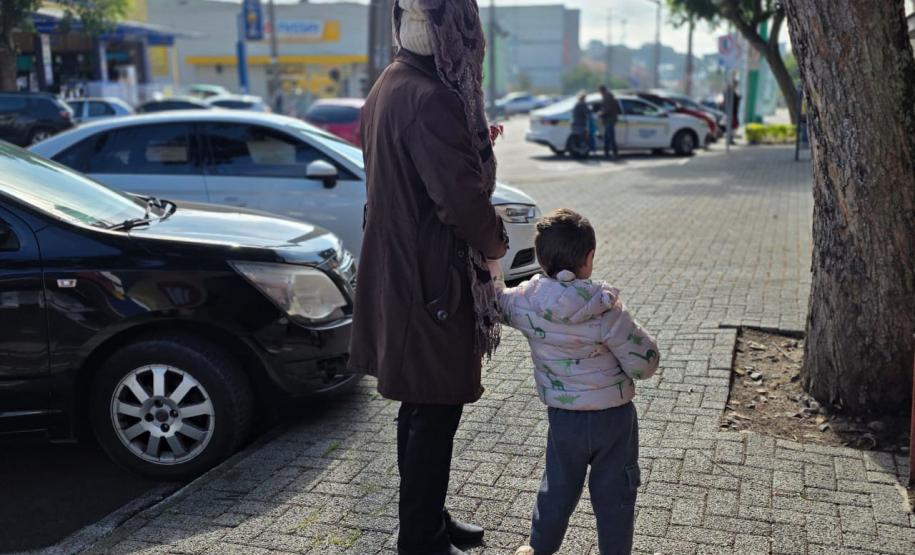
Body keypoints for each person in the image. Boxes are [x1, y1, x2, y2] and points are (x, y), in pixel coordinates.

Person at [348, 1, 509, 554]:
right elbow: (460, 202)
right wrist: (496, 247)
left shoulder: (392, 82)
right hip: (430, 279)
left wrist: (471, 143)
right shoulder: (432, 97)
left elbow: (428, 169)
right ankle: (420, 537)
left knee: (421, 406)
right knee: (434, 410)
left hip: (404, 270)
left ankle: (427, 520)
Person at [487, 209, 660, 555]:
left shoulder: (526, 304)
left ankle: (538, 549)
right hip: (614, 419)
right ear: (590, 257)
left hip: (564, 418)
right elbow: (645, 363)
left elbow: (496, 300)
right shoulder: (605, 307)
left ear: (540, 259)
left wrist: (492, 259)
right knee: (615, 495)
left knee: (558, 489)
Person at [598, 85, 620, 159]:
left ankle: (614, 154)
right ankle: (607, 154)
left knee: (610, 137)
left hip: (609, 120)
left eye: (599, 91)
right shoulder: (608, 96)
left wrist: (601, 113)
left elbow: (608, 109)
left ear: (602, 90)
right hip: (609, 120)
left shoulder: (607, 97)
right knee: (607, 138)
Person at [570, 91, 591, 157]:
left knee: (576, 141)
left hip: (575, 124)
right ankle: (581, 154)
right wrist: (591, 109)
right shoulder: (582, 104)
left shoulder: (577, 104)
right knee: (582, 141)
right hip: (580, 125)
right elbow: (587, 112)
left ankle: (577, 153)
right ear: (584, 98)